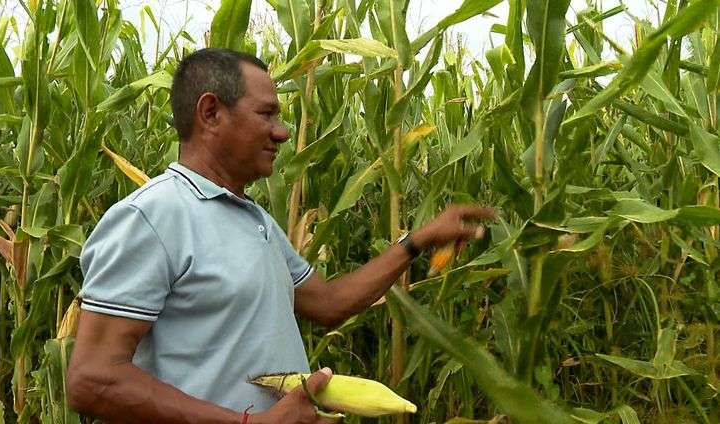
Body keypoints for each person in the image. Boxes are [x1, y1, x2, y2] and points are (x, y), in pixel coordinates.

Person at [66, 48, 494, 424]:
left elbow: (328, 304)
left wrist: (416, 241)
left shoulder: (255, 220)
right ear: (210, 112)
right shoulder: (152, 218)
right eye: (266, 114)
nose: (282, 131)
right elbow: (92, 380)